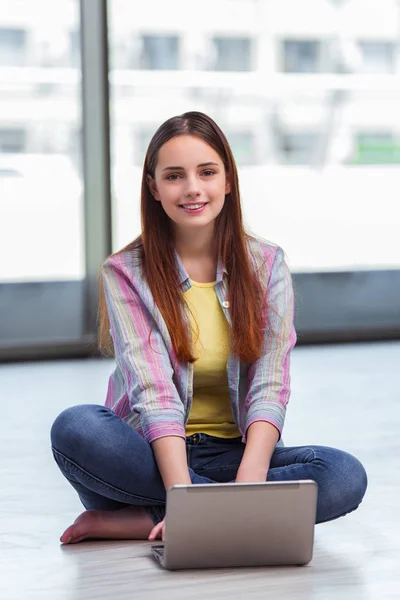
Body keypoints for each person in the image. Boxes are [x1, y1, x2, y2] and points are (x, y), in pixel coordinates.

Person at [50, 111, 367, 545]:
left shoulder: (267, 265)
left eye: (207, 172)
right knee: (78, 427)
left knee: (344, 475)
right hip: (147, 457)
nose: (193, 188)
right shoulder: (124, 272)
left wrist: (252, 476)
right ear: (154, 187)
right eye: (175, 176)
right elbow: (154, 391)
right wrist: (183, 494)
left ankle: (143, 520)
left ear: (228, 181)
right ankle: (208, 513)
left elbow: (270, 383)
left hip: (232, 455)